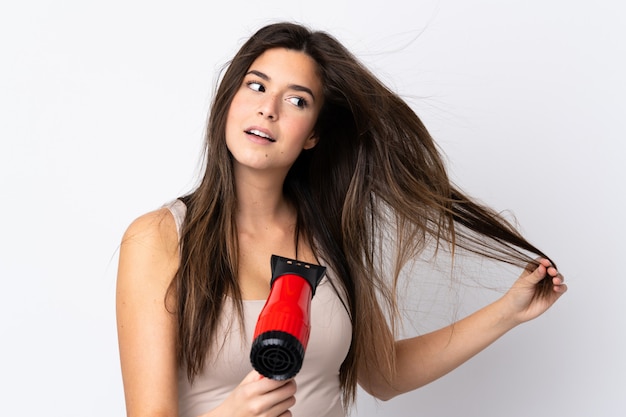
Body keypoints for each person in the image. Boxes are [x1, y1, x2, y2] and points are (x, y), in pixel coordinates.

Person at [115, 22, 567, 417]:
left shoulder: (329, 237)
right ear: (229, 100)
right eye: (256, 86)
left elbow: (385, 375)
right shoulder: (160, 238)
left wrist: (508, 311)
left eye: (296, 100)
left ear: (313, 134)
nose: (268, 108)